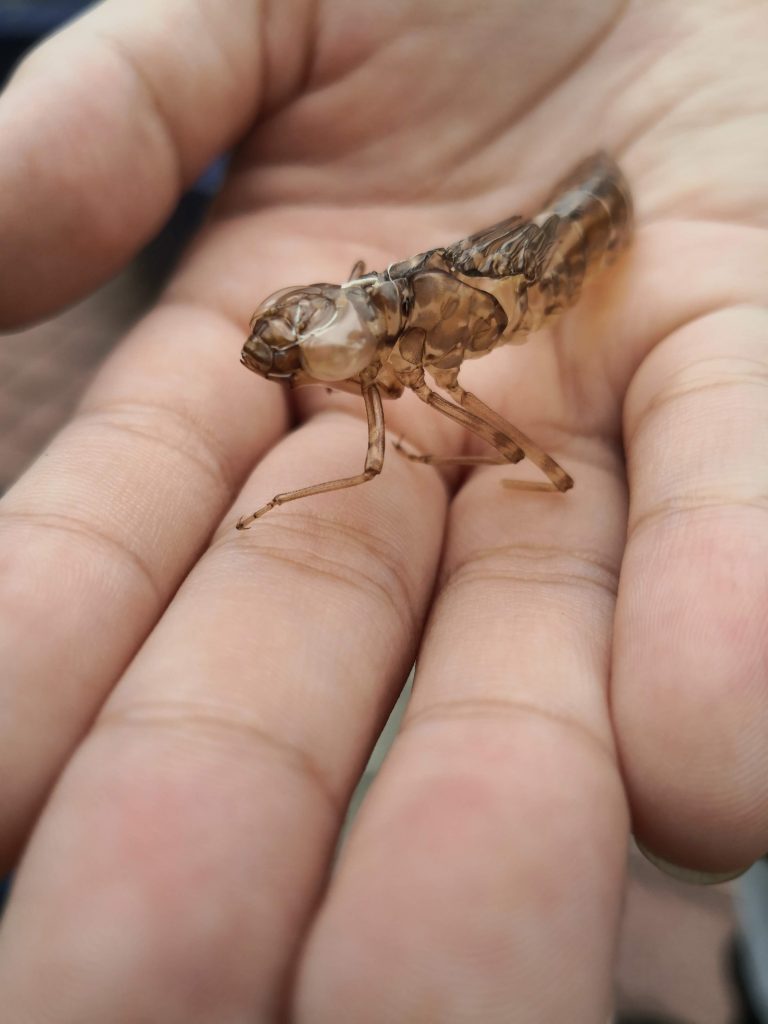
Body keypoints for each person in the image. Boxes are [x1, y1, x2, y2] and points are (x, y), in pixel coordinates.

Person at [0, 1, 767, 1020]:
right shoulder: (369, 332)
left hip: (576, 238)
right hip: (528, 236)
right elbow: (364, 315)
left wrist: (278, 490)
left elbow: (381, 464)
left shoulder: (406, 349)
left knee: (531, 478)